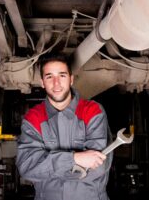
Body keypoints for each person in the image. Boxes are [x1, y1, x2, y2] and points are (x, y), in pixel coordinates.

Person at [16, 52, 113, 200]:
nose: (56, 83)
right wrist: (75, 159)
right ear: (42, 82)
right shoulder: (33, 118)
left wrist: (48, 168)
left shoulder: (92, 111)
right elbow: (27, 168)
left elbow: (98, 168)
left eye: (62, 75)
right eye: (49, 77)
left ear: (71, 79)